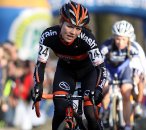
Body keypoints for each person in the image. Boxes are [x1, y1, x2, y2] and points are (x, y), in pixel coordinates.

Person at [31, 1, 108, 130]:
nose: (73, 32)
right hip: (66, 71)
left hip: (88, 72)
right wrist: (38, 85)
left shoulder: (88, 38)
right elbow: (40, 64)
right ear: (61, 22)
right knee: (60, 109)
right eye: (69, 26)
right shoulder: (48, 35)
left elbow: (101, 68)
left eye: (78, 28)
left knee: (90, 113)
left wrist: (99, 89)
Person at [100, 20, 139, 130]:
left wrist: (136, 78)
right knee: (105, 88)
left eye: (123, 39)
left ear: (129, 39)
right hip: (109, 70)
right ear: (113, 37)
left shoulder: (134, 48)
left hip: (124, 71)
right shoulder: (106, 45)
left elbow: (138, 65)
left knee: (126, 92)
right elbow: (98, 62)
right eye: (117, 38)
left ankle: (127, 124)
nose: (120, 42)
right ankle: (105, 113)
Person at [129, 33, 146, 118]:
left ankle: (138, 104)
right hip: (122, 73)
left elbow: (143, 62)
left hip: (135, 72)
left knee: (140, 80)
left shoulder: (137, 46)